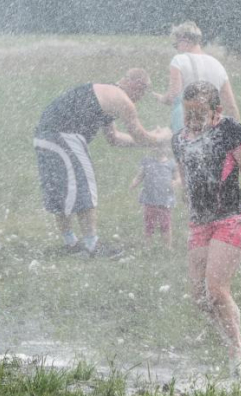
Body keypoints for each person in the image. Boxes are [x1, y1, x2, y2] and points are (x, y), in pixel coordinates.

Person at [171, 81, 241, 383]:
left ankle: (238, 353)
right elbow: (186, 182)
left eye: (199, 113)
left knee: (217, 289)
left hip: (230, 219)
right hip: (199, 224)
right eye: (187, 113)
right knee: (198, 297)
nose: (192, 120)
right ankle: (238, 346)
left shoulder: (230, 130)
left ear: (216, 111)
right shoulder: (178, 139)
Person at [34, 68, 172, 257]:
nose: (140, 98)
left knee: (61, 191)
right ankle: (92, 246)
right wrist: (161, 137)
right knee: (84, 188)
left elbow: (114, 138)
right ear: (135, 85)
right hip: (64, 136)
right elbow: (140, 135)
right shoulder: (122, 100)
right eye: (142, 92)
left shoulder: (107, 93)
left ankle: (70, 243)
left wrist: (149, 141)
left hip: (45, 134)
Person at [154, 21, 241, 133]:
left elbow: (173, 95)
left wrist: (162, 99)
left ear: (185, 41)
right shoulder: (218, 65)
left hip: (187, 126)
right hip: (212, 126)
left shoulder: (179, 60)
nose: (177, 49)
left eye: (176, 45)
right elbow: (231, 107)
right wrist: (237, 134)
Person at [129, 145, 180, 249]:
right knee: (149, 224)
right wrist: (134, 183)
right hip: (150, 200)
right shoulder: (147, 162)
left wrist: (176, 182)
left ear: (167, 148)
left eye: (162, 146)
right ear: (151, 148)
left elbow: (178, 178)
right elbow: (140, 175)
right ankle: (148, 245)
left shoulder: (171, 163)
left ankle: (167, 246)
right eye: (156, 146)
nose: (159, 149)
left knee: (165, 224)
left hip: (165, 201)